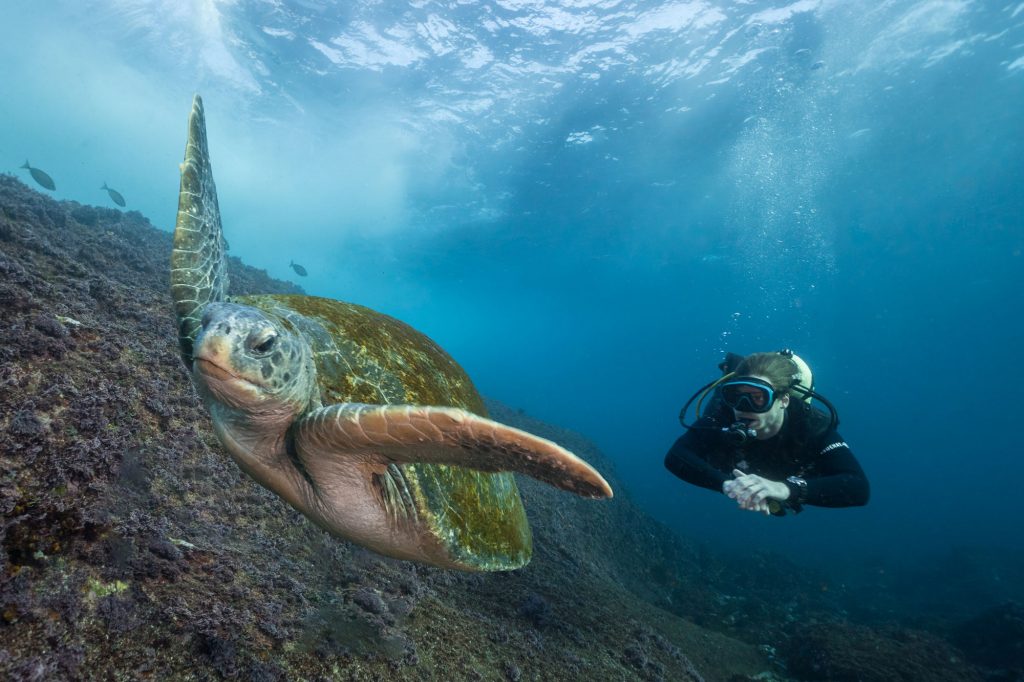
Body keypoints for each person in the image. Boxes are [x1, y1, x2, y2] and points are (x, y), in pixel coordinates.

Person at [665, 350, 869, 515]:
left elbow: (858, 487)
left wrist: (785, 489)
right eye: (736, 396)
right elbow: (676, 456)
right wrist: (729, 485)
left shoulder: (810, 426)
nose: (744, 406)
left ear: (784, 400)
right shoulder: (723, 415)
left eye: (758, 397)